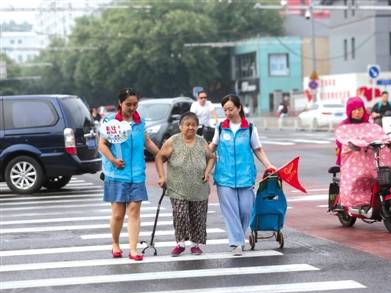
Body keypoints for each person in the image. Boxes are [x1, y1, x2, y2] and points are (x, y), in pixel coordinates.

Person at [209, 94, 276, 256]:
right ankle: (237, 242)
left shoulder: (250, 128)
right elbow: (212, 147)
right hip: (224, 177)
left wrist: (268, 165)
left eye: (230, 109)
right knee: (230, 211)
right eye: (225, 110)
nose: (228, 113)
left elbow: (257, 149)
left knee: (246, 209)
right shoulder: (220, 128)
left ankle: (238, 238)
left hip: (246, 176)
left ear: (239, 108)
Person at [99, 88, 159, 261]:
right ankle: (115, 244)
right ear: (120, 103)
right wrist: (113, 160)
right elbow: (102, 145)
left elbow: (146, 141)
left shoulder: (139, 122)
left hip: (137, 175)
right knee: (118, 214)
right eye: (128, 104)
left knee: (134, 211)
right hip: (116, 174)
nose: (132, 108)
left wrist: (161, 154)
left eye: (135, 104)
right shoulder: (110, 121)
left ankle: (133, 250)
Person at [155, 112, 215, 256]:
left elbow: (212, 158)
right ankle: (180, 243)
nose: (191, 128)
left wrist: (207, 171)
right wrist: (162, 176)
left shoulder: (201, 141)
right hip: (177, 187)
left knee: (198, 216)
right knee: (181, 214)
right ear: (180, 126)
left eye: (194, 125)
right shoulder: (172, 141)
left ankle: (195, 244)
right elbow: (159, 157)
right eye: (187, 125)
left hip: (199, 187)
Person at [335, 96, 369, 166]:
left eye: (359, 109)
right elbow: (339, 141)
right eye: (354, 109)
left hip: (367, 158)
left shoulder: (368, 124)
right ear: (349, 111)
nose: (357, 112)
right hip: (349, 159)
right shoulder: (343, 125)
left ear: (363, 110)